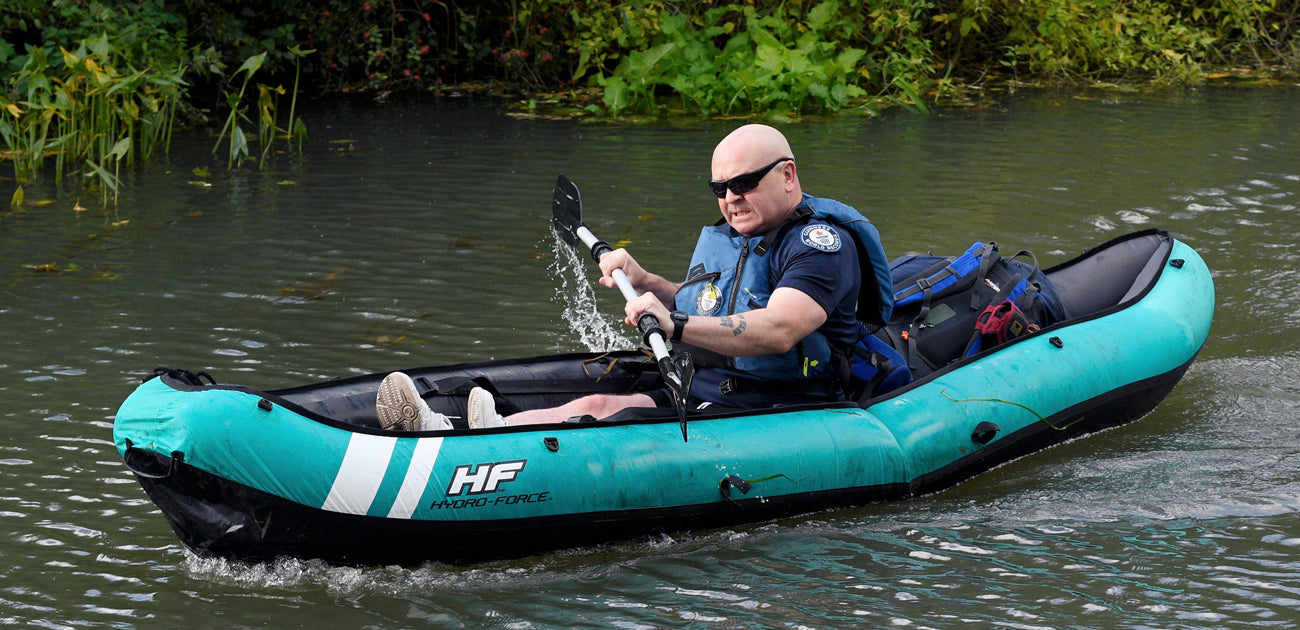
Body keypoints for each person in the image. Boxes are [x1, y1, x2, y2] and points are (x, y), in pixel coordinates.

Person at [377, 124, 893, 431]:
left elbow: (779, 329)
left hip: (781, 405)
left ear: (787, 175)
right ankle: (453, 431)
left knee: (606, 412)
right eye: (719, 187)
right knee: (597, 399)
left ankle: (467, 438)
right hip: (714, 383)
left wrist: (674, 324)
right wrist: (648, 281)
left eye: (743, 183)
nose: (730, 197)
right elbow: (707, 303)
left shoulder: (821, 247)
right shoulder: (738, 235)